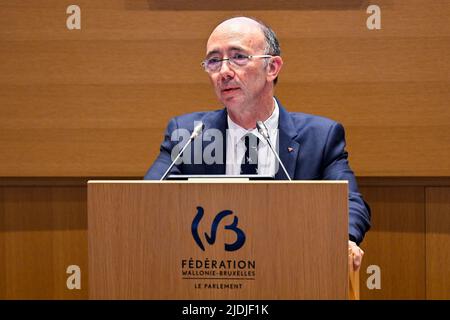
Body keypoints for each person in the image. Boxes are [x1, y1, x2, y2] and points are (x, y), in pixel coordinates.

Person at [144, 16, 370, 271]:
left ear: (272, 67)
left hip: (291, 271)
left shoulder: (321, 137)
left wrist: (345, 239)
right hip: (210, 273)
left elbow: (350, 203)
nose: (224, 72)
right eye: (214, 61)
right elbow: (144, 201)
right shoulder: (188, 135)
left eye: (238, 57)